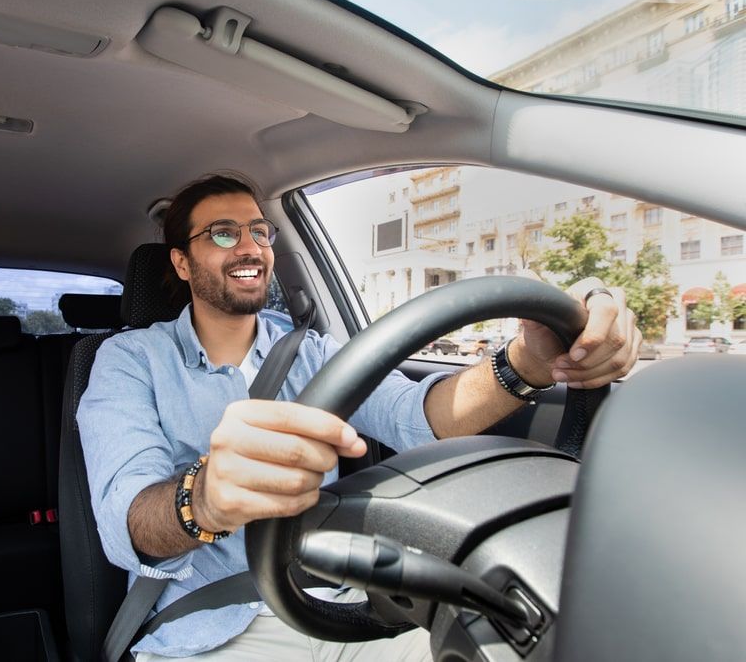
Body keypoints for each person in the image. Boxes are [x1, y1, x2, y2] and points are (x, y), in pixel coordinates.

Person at [78, 174, 640, 660]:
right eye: (222, 233)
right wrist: (204, 498)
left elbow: (417, 417)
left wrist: (527, 363)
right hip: (208, 629)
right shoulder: (130, 361)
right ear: (181, 261)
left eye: (258, 231)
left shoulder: (311, 352)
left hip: (338, 606)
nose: (248, 247)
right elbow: (125, 520)